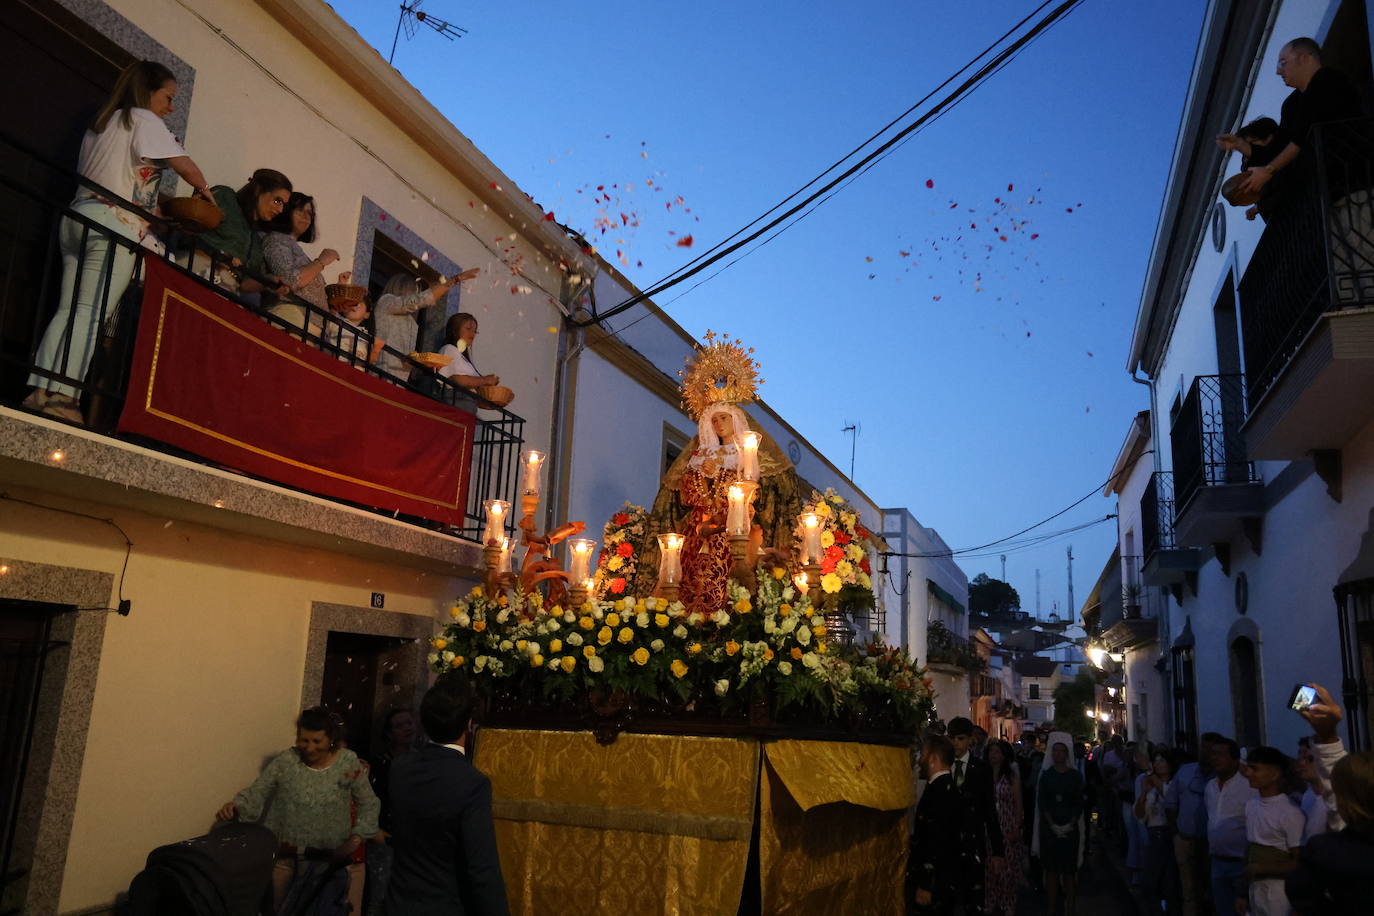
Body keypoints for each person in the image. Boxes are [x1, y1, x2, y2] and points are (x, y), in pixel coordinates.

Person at [23, 59, 212, 425]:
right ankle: (63, 397)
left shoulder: (104, 123)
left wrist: (159, 215)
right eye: (168, 98)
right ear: (148, 92)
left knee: (69, 310)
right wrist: (205, 192)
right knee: (92, 314)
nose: (171, 108)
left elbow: (125, 182)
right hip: (113, 225)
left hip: (79, 216)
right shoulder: (143, 119)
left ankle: (39, 389)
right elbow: (185, 165)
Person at [216, 706, 380, 914]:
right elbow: (258, 791)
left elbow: (369, 803)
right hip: (285, 859)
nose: (309, 748)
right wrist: (236, 808)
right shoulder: (287, 761)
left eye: (316, 741)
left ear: (331, 739)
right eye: (304, 740)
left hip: (327, 863)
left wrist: (356, 838)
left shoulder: (347, 763)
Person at [384, 684, 507, 915]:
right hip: (444, 905)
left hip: (399, 902)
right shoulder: (472, 783)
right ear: (469, 724)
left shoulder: (400, 768)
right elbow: (482, 868)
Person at [1285, 751, 1374, 914]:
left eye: (1309, 758)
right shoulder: (1308, 797)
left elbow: (1303, 896)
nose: (1301, 763)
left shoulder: (1327, 849)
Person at [909, 733, 981, 914]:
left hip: (937, 884)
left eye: (923, 755)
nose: (919, 761)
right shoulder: (944, 787)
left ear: (933, 759)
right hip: (946, 881)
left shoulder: (939, 792)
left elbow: (935, 840)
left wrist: (926, 884)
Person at [196, 168, 294, 300]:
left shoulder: (257, 242)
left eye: (283, 205)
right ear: (258, 190)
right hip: (200, 267)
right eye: (277, 201)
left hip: (229, 290)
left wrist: (268, 282)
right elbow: (191, 226)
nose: (281, 210)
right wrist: (223, 256)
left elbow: (244, 285)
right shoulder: (226, 197)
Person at [372, 269, 479, 380]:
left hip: (400, 379)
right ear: (401, 289)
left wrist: (423, 363)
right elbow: (418, 300)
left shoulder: (410, 322)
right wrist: (455, 279)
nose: (414, 295)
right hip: (381, 372)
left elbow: (405, 358)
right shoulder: (386, 302)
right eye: (413, 291)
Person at [262, 192, 342, 332]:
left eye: (310, 213)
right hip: (291, 320)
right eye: (300, 210)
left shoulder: (298, 250)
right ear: (287, 211)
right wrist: (321, 262)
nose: (306, 217)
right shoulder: (276, 239)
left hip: (310, 329)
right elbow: (288, 280)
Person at [1240, 746, 1304, 916]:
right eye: (1248, 768)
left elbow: (1300, 862)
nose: (1248, 773)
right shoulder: (1251, 806)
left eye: (1255, 769)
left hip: (1279, 893)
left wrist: (1263, 867)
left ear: (1275, 774)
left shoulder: (1290, 812)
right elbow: (1249, 848)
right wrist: (1242, 892)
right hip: (1255, 889)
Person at [1166, 732, 1222, 916]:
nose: (1205, 753)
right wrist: (1176, 832)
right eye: (1203, 747)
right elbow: (1171, 802)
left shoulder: (1221, 777)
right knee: (1188, 888)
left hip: (1210, 844)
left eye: (1210, 749)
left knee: (1211, 888)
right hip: (1185, 838)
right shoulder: (1185, 771)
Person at [1205, 737, 1257, 916]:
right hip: (1217, 861)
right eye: (1213, 755)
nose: (1215, 759)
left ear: (1235, 759)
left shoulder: (1248, 786)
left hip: (1241, 863)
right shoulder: (1210, 787)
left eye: (1220, 755)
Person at [1037, 737, 1085, 916]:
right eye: (1054, 750)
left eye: (1061, 751)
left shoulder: (1074, 776)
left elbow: (1079, 802)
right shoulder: (1047, 775)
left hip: (1070, 829)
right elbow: (1043, 802)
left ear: (1067, 753)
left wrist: (1069, 825)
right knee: (1051, 871)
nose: (1058, 754)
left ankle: (1070, 907)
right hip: (1050, 830)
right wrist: (1053, 825)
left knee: (1069, 871)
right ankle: (1051, 907)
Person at [983, 740, 1026, 916]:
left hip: (1006, 824)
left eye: (997, 752)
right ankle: (990, 899)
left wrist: (1017, 825)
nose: (994, 755)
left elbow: (1018, 803)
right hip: (987, 826)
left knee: (1007, 867)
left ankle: (1008, 901)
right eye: (991, 751)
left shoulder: (1011, 777)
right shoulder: (983, 776)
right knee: (988, 867)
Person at [1136, 749, 1179, 914]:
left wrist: (1152, 778)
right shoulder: (1148, 785)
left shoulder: (1175, 784)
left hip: (1169, 835)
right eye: (1157, 761)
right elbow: (1141, 815)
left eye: (1163, 760)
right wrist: (1143, 794)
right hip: (1154, 834)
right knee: (1152, 881)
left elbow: (1169, 799)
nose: (1160, 764)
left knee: (1170, 880)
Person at [437, 312, 500, 390]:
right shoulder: (449, 349)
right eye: (468, 328)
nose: (472, 334)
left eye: (475, 331)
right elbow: (459, 380)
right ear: (454, 329)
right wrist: (485, 380)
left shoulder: (465, 359)